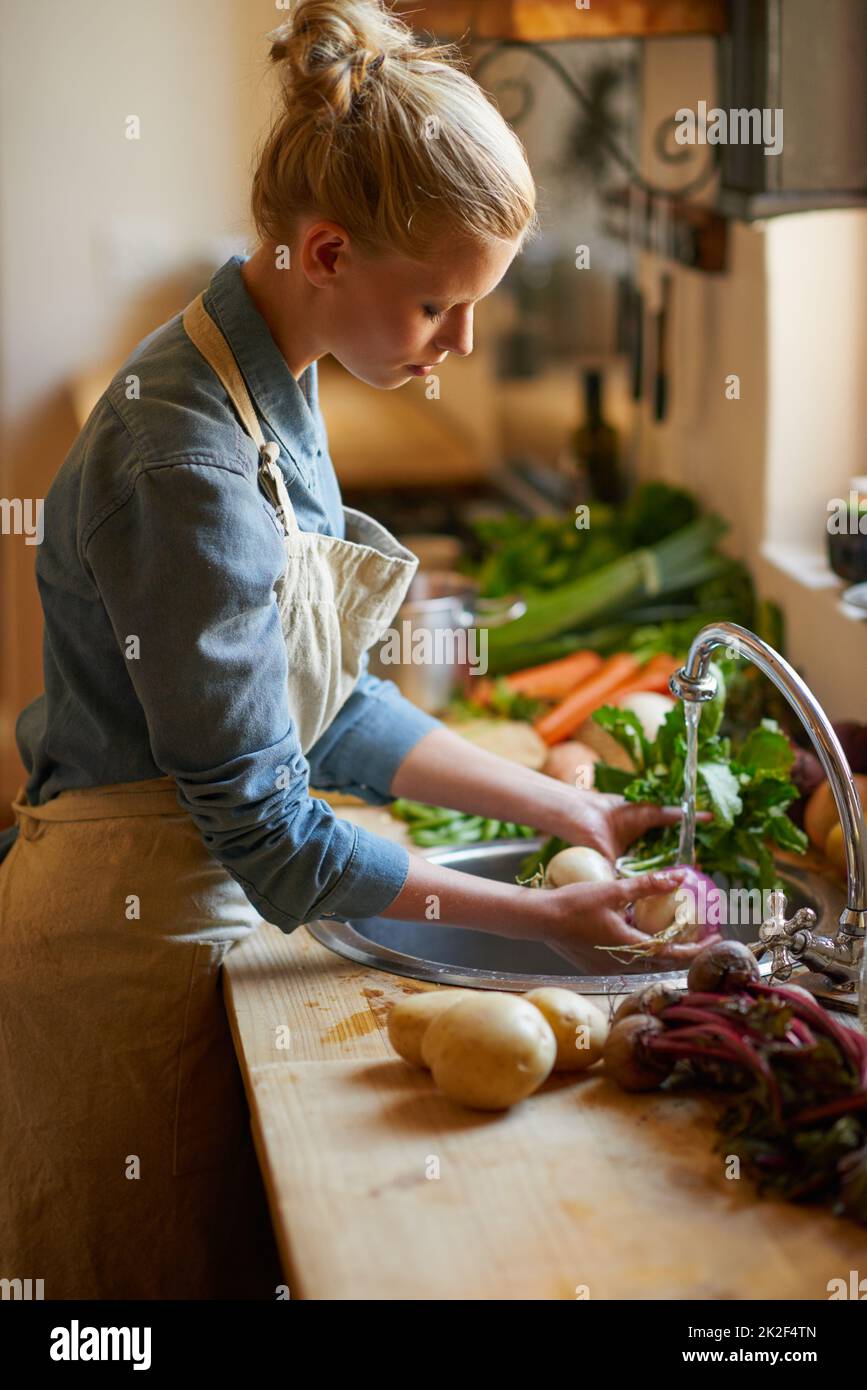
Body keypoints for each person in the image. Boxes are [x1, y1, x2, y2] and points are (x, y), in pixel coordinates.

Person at [0, 0, 696, 1300]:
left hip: (195, 908)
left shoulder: (279, 364)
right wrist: (538, 912)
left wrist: (567, 801)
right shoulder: (188, 456)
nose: (461, 345)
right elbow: (269, 827)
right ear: (326, 249)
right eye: (441, 305)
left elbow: (320, 711)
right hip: (119, 952)